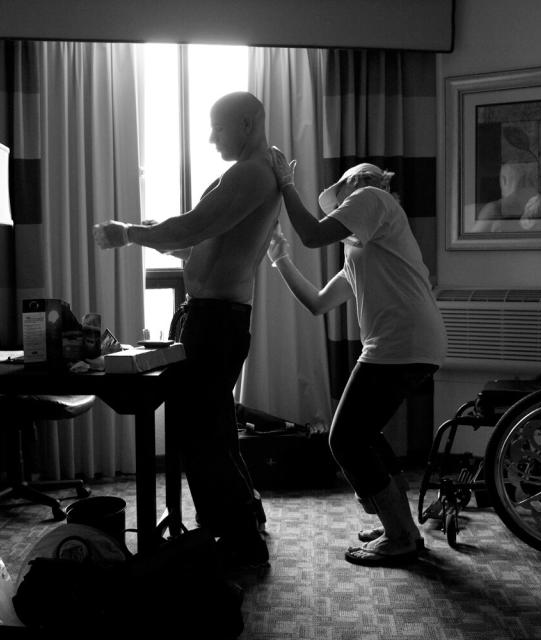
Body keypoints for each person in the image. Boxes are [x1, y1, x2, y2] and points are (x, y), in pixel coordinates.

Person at [93, 91, 280, 568]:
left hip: (216, 321)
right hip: (215, 317)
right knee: (213, 429)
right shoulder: (255, 173)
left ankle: (240, 541)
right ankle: (245, 521)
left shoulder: (250, 173)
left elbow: (193, 228)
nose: (211, 136)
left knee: (199, 434)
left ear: (247, 122)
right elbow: (199, 242)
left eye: (218, 127)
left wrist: (129, 232)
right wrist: (152, 235)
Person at [265, 146, 446, 567]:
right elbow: (317, 302)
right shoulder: (362, 252)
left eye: (371, 179)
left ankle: (401, 535)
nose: (365, 184)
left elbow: (311, 233)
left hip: (401, 343)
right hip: (409, 343)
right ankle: (397, 525)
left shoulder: (374, 200)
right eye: (356, 180)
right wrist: (281, 260)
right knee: (364, 435)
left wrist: (285, 183)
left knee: (344, 438)